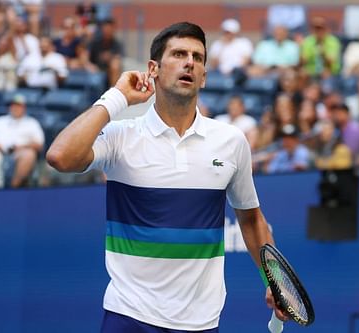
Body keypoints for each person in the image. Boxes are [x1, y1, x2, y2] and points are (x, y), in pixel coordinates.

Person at [46, 21, 286, 332]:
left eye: (197, 58)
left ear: (204, 76)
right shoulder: (121, 136)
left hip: (200, 322)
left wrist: (275, 281)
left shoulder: (231, 141)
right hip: (128, 316)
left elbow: (252, 220)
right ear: (153, 69)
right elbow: (60, 157)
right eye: (178, 54)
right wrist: (117, 97)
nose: (189, 62)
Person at [0, 94, 44, 187]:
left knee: (29, 155)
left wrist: (21, 147)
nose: (15, 108)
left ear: (24, 108)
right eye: (13, 105)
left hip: (19, 154)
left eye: (18, 106)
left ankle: (13, 188)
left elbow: (39, 145)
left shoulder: (32, 123)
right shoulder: (0, 121)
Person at [89, 17, 124, 87]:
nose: (107, 31)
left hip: (109, 71)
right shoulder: (95, 43)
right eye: (105, 28)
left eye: (109, 29)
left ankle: (114, 92)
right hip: (95, 69)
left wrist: (110, 58)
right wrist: (90, 66)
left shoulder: (117, 44)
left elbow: (118, 58)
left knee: (115, 65)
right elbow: (87, 58)